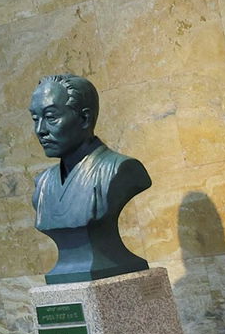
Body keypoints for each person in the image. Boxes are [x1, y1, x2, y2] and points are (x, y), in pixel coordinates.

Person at [26, 73, 150, 283]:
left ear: (84, 118)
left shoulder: (120, 170)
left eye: (51, 117)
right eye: (35, 119)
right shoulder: (43, 183)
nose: (40, 131)